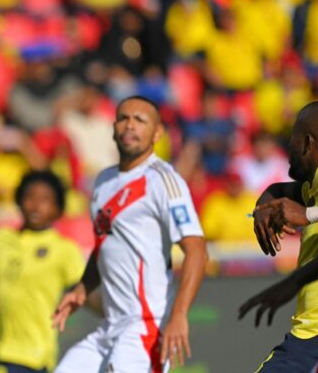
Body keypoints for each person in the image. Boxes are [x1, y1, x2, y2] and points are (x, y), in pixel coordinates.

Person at [53, 96, 208, 372]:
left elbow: (196, 250)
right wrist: (82, 288)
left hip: (146, 325)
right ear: (113, 128)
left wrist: (179, 315)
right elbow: (105, 246)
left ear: (157, 132)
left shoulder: (163, 180)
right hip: (109, 327)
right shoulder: (103, 181)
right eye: (124, 118)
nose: (130, 126)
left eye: (140, 120)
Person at [239, 100, 318, 371]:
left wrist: (308, 215)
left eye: (292, 139)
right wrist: (264, 205)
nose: (287, 148)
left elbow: (305, 206)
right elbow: (281, 190)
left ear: (308, 142)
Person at [0, 170, 84, 373]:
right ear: (19, 200)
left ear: (58, 208)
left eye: (45, 199)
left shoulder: (65, 250)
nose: (36, 205)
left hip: (32, 357)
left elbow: (83, 291)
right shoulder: (1, 238)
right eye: (30, 196)